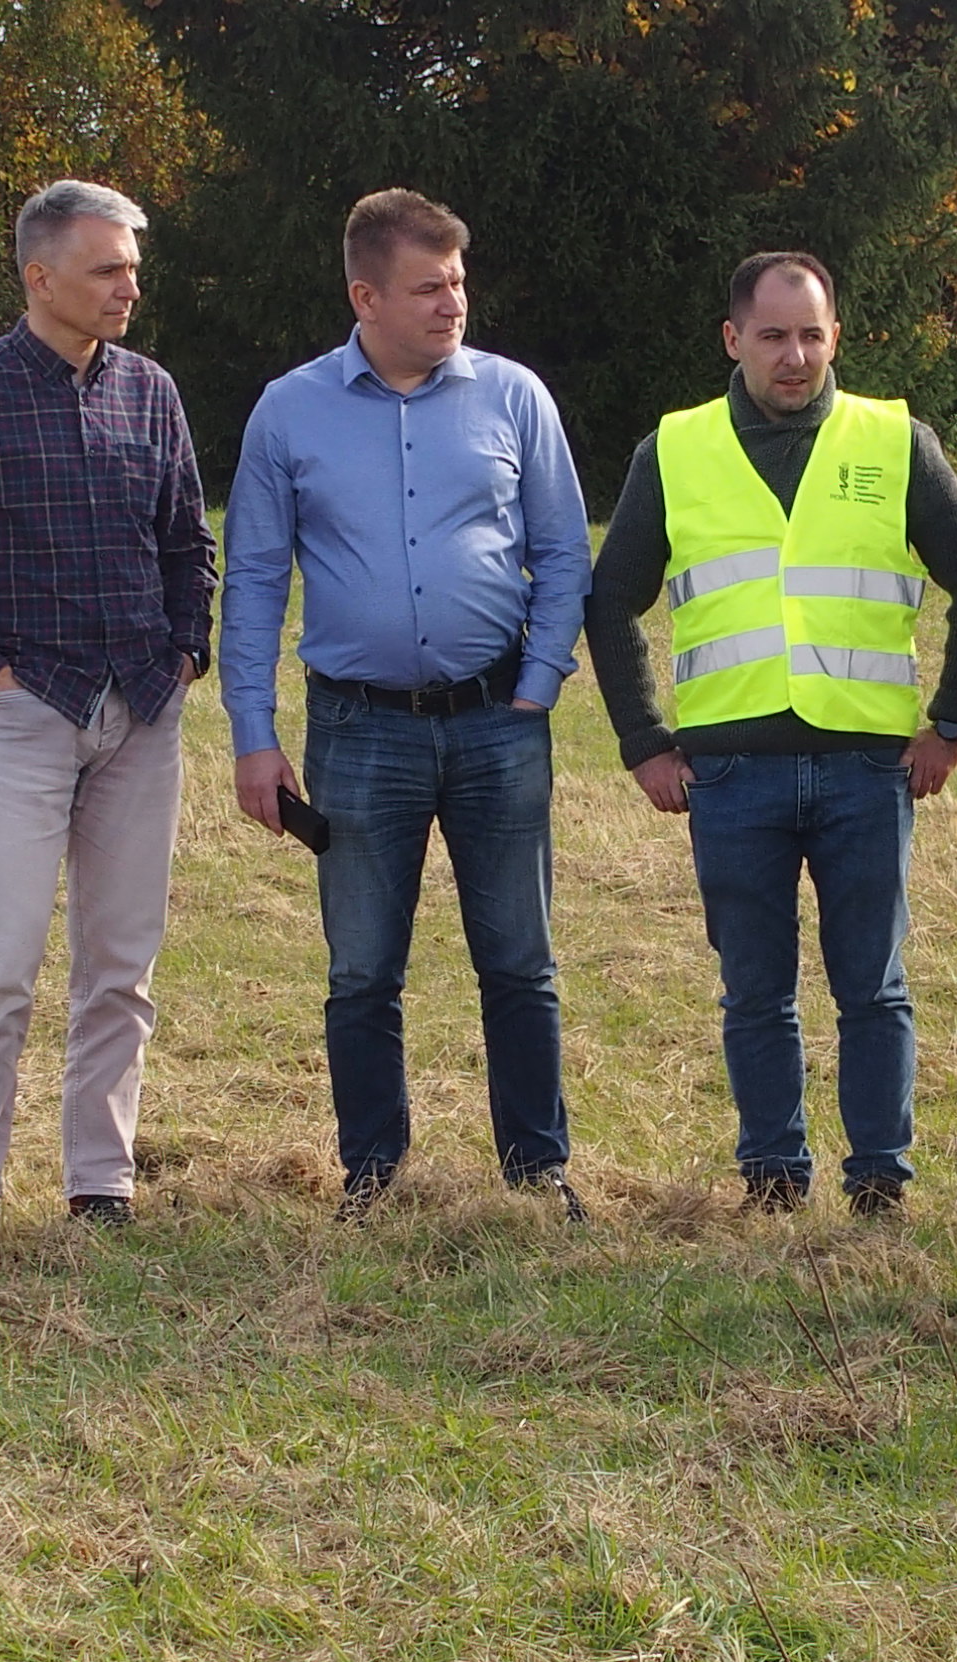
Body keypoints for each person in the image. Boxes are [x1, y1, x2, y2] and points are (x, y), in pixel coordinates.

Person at [222, 189, 594, 1221]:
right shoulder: (287, 412)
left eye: (458, 283)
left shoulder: (514, 397)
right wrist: (253, 739)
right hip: (356, 731)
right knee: (360, 972)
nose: (451, 304)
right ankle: (372, 1180)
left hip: (498, 727)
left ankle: (536, 1173)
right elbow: (251, 580)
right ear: (364, 295)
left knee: (519, 960)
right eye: (428, 287)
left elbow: (564, 550)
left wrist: (539, 677)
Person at [587, 252, 957, 1215]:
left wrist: (954, 722)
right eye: (772, 336)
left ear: (835, 335)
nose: (794, 356)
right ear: (734, 340)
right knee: (755, 993)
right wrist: (644, 741)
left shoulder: (896, 441)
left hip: (868, 767)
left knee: (873, 990)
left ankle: (880, 1180)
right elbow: (610, 601)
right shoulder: (673, 451)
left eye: (811, 334)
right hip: (729, 776)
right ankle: (773, 1182)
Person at [0, 179, 214, 1243]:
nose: (127, 288)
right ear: (39, 276)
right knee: (0, 966)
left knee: (120, 968)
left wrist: (184, 654)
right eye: (107, 269)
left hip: (140, 715)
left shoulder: (149, 391)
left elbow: (186, 544)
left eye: (132, 270)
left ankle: (98, 1186)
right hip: (21, 714)